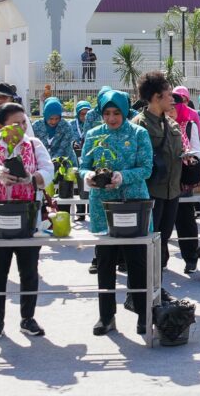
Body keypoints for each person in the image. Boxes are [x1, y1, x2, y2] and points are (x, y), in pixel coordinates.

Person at [0, 102, 54, 339]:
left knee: (29, 271)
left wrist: (30, 179)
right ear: (2, 127)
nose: (22, 128)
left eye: (24, 122)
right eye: (15, 124)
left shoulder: (34, 146)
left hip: (27, 219)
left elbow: (49, 170)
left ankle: (28, 319)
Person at [80, 89, 152, 336]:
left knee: (137, 262)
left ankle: (144, 314)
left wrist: (123, 177)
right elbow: (83, 167)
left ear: (125, 112)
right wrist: (88, 176)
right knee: (105, 262)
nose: (111, 119)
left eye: (116, 113)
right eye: (107, 113)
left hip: (132, 204)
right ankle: (106, 315)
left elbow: (146, 168)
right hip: (102, 206)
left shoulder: (138, 133)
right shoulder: (93, 135)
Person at [130, 72, 185, 272]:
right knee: (150, 238)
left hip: (172, 190)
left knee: (164, 236)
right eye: (168, 94)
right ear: (156, 97)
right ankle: (149, 284)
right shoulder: (139, 124)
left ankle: (158, 279)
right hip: (151, 192)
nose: (173, 98)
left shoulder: (171, 123)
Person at [166, 93, 200, 274]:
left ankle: (190, 258)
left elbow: (197, 151)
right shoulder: (159, 126)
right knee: (161, 223)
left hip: (182, 182)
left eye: (174, 107)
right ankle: (161, 260)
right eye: (168, 107)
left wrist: (185, 156)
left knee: (185, 220)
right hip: (163, 181)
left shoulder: (189, 125)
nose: (171, 111)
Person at [33, 97, 78, 168]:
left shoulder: (66, 126)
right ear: (45, 115)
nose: (54, 122)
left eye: (57, 118)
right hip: (42, 164)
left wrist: (51, 162)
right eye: (51, 119)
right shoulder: (36, 126)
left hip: (65, 164)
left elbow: (64, 148)